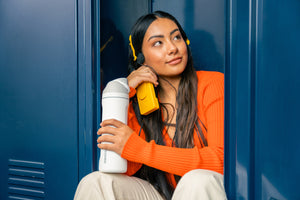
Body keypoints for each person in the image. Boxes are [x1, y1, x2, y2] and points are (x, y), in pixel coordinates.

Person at [74, 10, 226, 200]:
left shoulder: (213, 84)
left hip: (201, 191)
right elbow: (123, 168)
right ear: (140, 58)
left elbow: (221, 161)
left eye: (176, 37)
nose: (172, 48)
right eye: (158, 43)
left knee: (197, 180)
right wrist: (124, 92)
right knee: (95, 182)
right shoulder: (140, 100)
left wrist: (141, 149)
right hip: (158, 194)